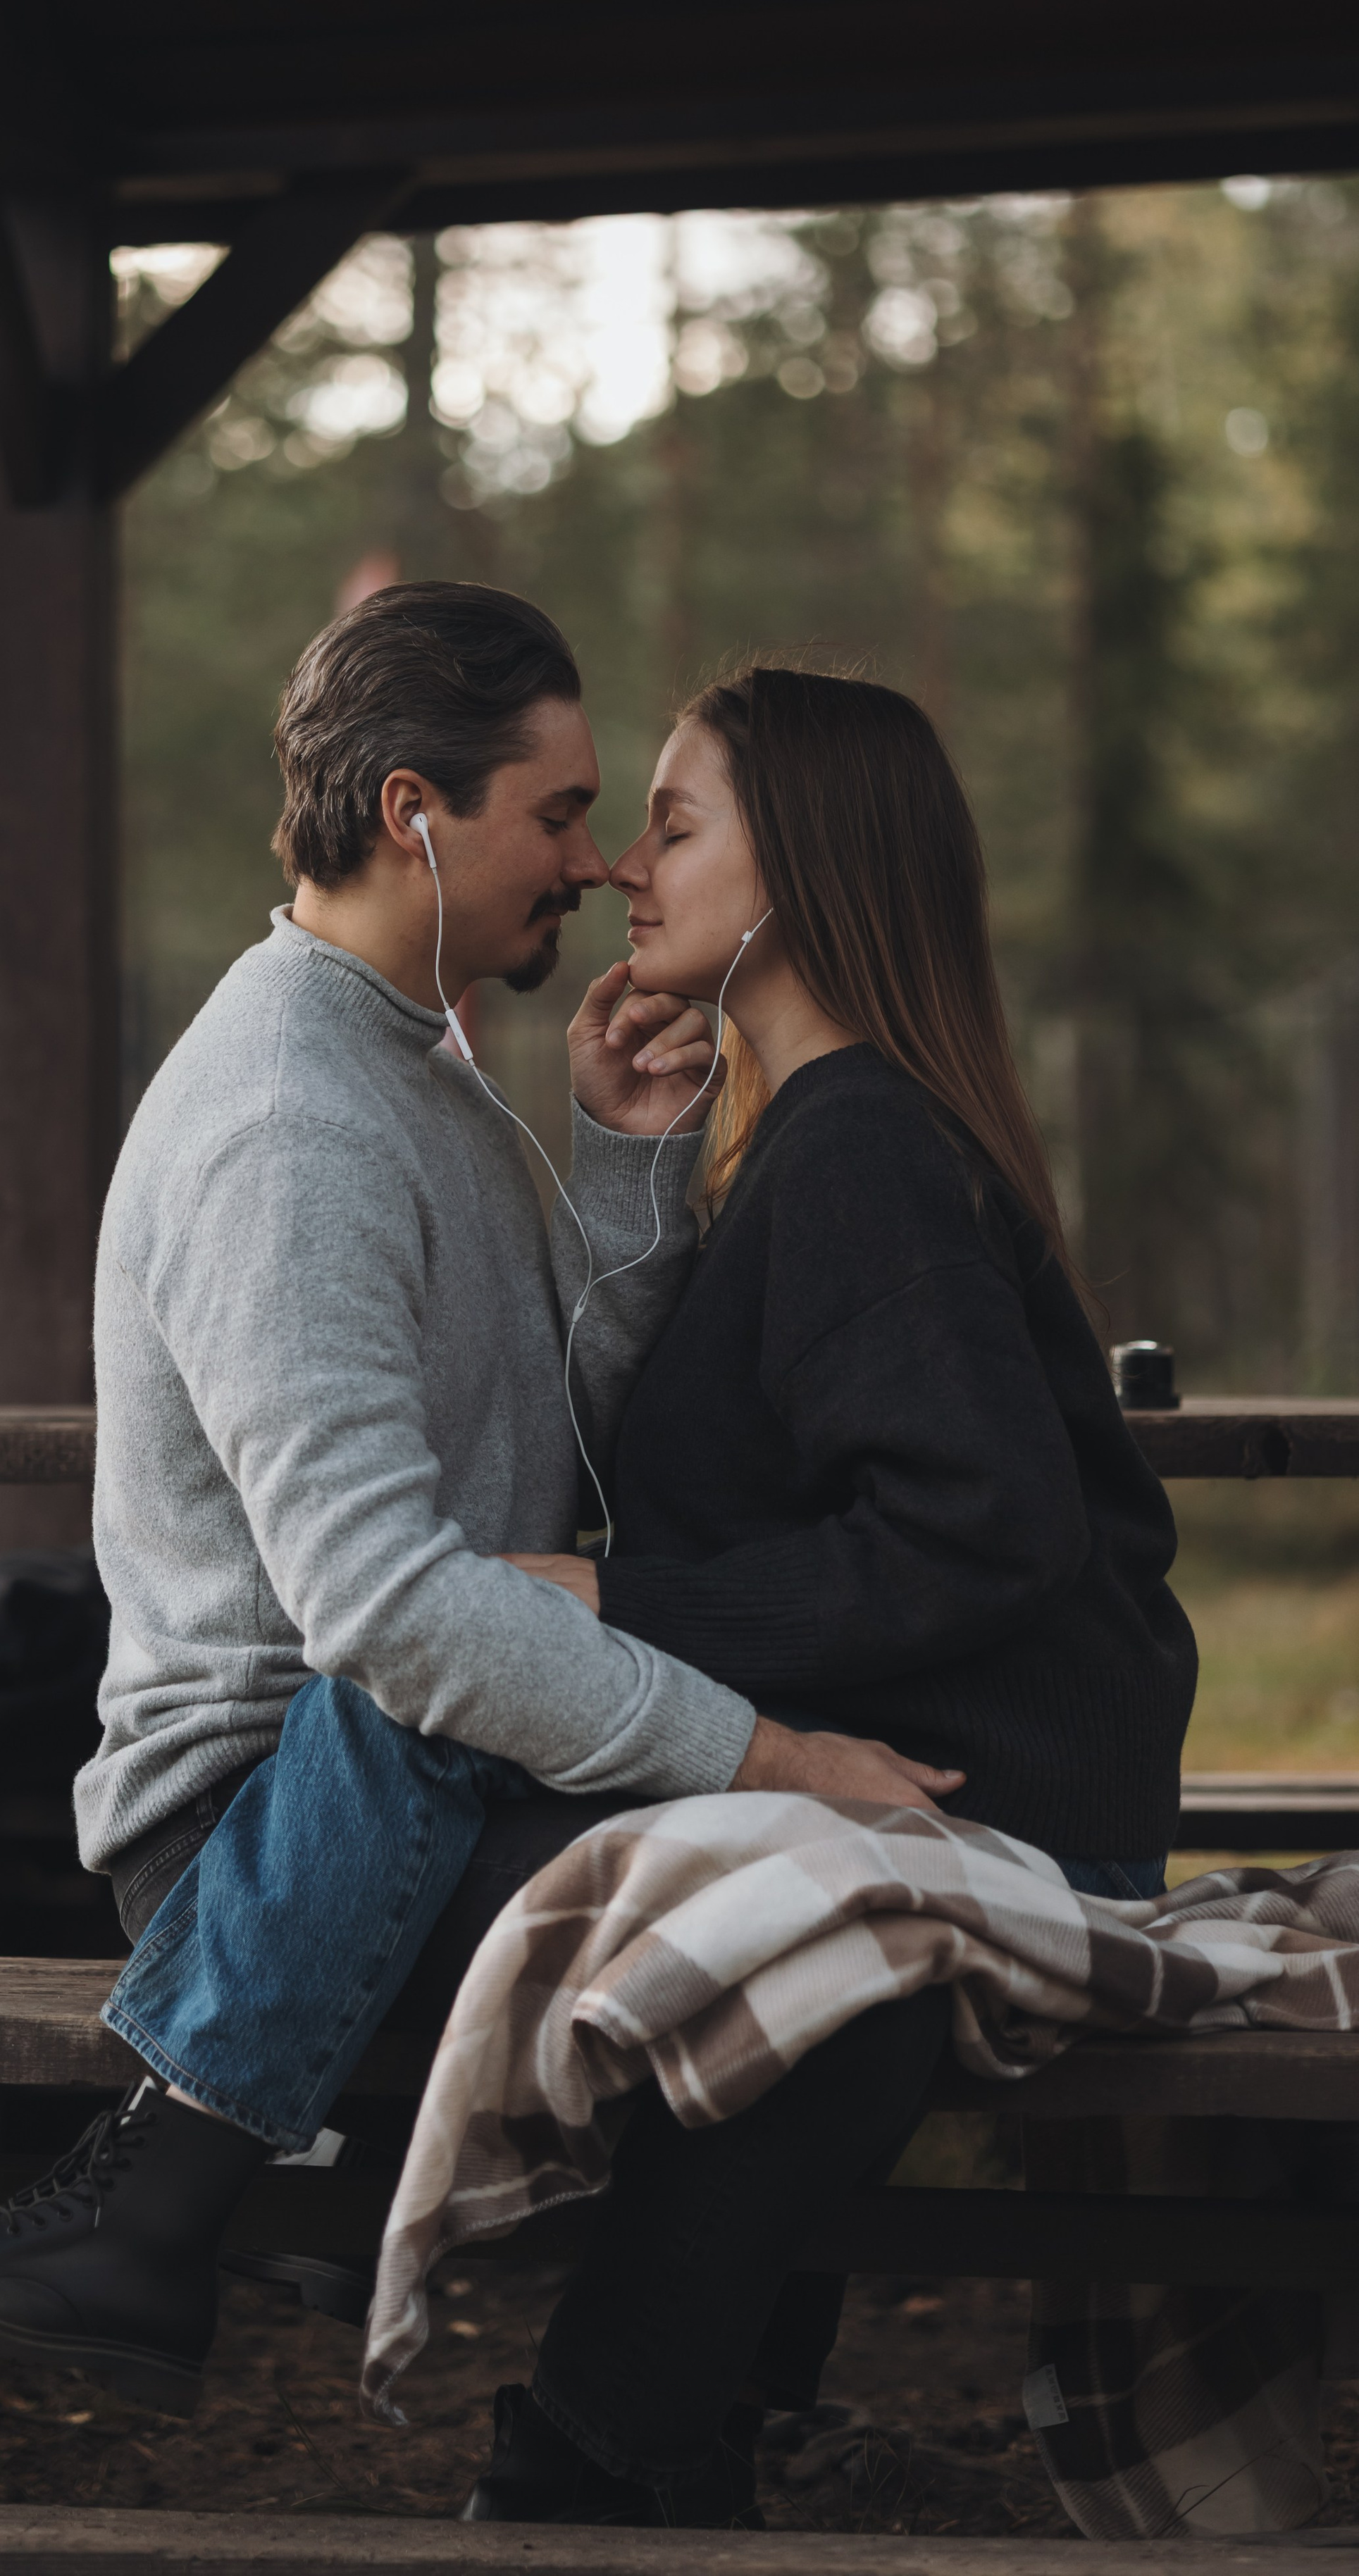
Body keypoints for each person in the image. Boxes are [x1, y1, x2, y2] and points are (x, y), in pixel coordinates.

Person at [0, 588, 941, 2410]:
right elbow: (393, 1613)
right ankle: (209, 2247)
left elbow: (551, 1456)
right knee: (770, 1922)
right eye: (560, 813)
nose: (592, 867)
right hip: (263, 1826)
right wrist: (761, 1750)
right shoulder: (292, 1121)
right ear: (415, 810)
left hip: (441, 1763)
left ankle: (683, 2418)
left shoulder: (410, 1061)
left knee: (813, 1933)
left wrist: (618, 1174)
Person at [459, 659, 1198, 2522]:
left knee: (661, 1896)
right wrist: (630, 1167)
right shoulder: (812, 1132)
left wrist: (620, 1609)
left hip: (1001, 1817)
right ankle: (675, 2425)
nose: (631, 868)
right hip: (970, 1787)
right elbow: (713, 1468)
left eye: (678, 824)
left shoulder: (858, 1140)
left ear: (803, 869)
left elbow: (979, 1534)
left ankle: (607, 2437)